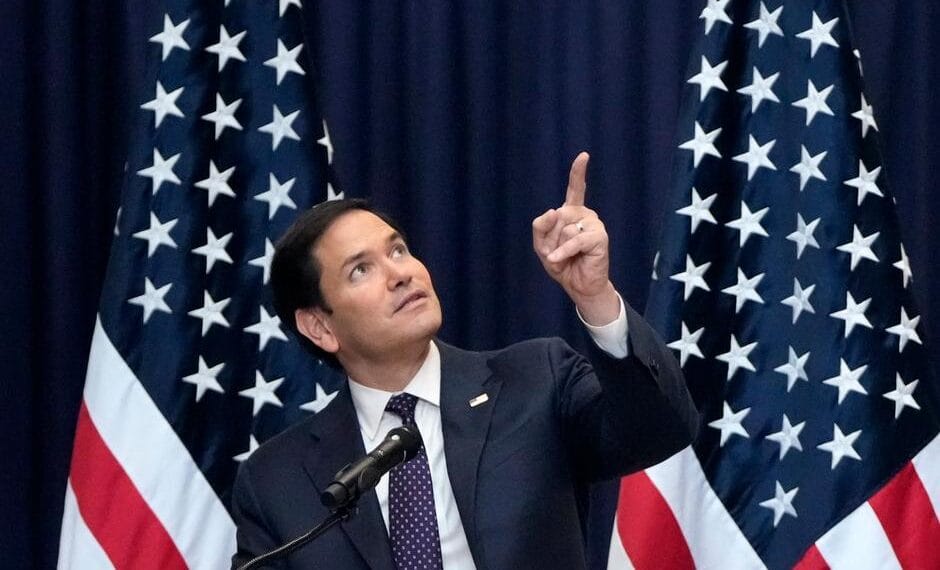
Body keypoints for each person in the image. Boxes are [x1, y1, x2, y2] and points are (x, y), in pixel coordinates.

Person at [230, 153, 699, 569]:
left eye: (398, 250)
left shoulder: (537, 381)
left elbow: (662, 430)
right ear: (320, 327)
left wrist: (595, 296)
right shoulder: (276, 481)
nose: (400, 273)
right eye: (361, 270)